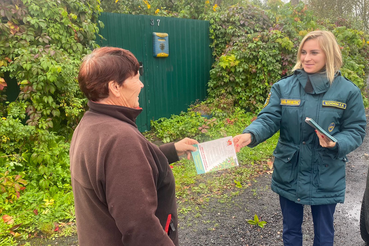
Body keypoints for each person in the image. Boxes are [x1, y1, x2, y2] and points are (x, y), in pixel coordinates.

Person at [233, 30, 366, 246]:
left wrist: (336, 142)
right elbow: (269, 117)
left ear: (329, 54)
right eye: (303, 52)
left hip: (326, 173)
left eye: (314, 52)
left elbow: (356, 129)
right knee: (290, 232)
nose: (306, 58)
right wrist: (251, 134)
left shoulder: (348, 91)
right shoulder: (283, 87)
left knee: (324, 235)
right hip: (289, 171)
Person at [69, 47, 198, 246]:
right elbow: (140, 228)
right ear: (115, 87)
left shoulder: (90, 124)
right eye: (136, 78)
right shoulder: (121, 138)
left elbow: (118, 171)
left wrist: (173, 150)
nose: (141, 84)